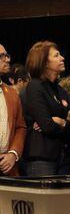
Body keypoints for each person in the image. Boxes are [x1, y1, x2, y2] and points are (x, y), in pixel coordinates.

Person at [23, 41, 70, 176]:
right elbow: (47, 126)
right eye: (56, 56)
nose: (62, 58)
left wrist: (62, 122)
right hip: (42, 159)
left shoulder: (61, 90)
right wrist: (65, 124)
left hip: (62, 157)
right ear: (44, 62)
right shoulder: (35, 86)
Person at [0, 44, 26, 176]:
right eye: (1, 56)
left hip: (8, 168)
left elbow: (20, 127)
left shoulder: (12, 93)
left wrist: (13, 153)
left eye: (7, 55)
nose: (7, 60)